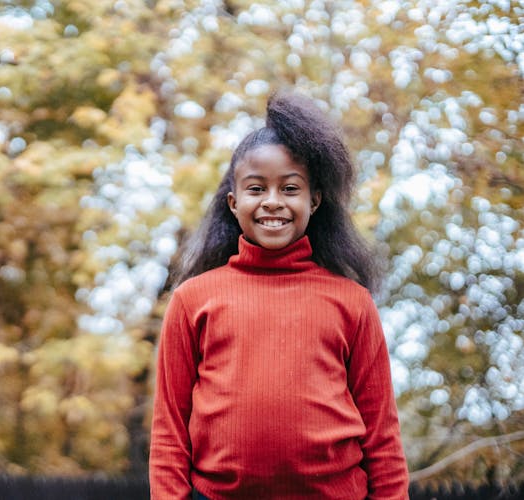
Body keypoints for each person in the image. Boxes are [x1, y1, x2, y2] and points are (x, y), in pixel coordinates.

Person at [149, 92, 409, 499]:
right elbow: (169, 434)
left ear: (314, 201)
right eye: (257, 189)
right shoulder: (191, 300)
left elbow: (382, 437)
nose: (273, 201)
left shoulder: (352, 302)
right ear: (234, 204)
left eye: (290, 188)